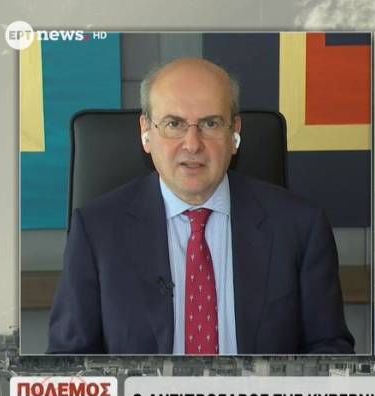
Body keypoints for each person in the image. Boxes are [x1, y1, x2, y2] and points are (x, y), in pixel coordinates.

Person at [48, 58, 354, 354]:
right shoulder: (97, 231)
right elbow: (69, 362)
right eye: (174, 124)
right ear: (146, 133)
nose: (192, 144)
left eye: (210, 124)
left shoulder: (300, 226)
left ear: (234, 133)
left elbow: (329, 352)